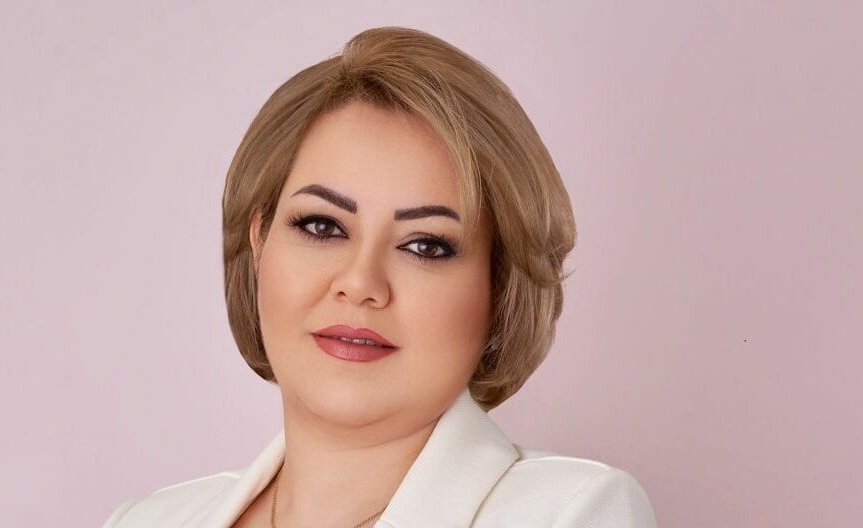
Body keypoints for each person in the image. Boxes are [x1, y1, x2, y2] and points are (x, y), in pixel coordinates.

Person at [104, 26, 657, 528]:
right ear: (259, 243)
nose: (361, 282)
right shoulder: (143, 522)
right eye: (322, 226)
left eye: (425, 245)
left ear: (498, 285)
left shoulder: (573, 514)